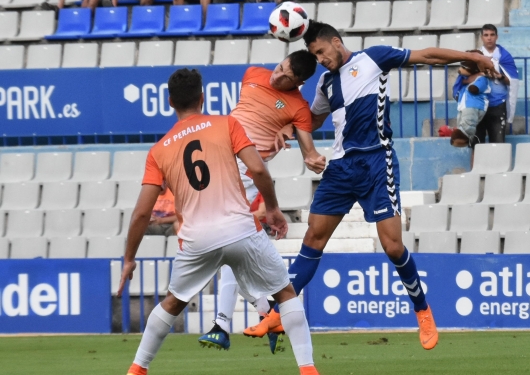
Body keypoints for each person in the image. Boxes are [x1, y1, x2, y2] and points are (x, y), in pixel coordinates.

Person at [242, 20, 498, 351]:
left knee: (392, 246)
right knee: (312, 239)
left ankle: (422, 310)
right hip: (341, 168)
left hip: (377, 162)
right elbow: (312, 120)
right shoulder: (325, 84)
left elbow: (427, 55)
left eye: (321, 52)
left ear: (335, 42)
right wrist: (287, 130)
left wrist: (471, 57)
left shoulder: (373, 58)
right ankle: (277, 312)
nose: (320, 59)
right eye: (315, 56)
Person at [120, 68, 319, 375]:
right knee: (285, 293)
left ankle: (137, 369)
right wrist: (274, 208)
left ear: (170, 101)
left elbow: (141, 214)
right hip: (240, 229)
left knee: (171, 303)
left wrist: (129, 259)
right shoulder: (227, 124)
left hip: (197, 240)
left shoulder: (158, 151)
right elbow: (259, 170)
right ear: (203, 97)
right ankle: (308, 370)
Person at [196, 50, 326, 353]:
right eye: (280, 67)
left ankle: (224, 324)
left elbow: (309, 151)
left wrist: (313, 156)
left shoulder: (298, 108)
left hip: (245, 175)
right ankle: (265, 311)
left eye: (287, 77)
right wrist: (285, 125)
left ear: (300, 82)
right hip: (217, 164)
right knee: (231, 251)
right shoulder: (253, 73)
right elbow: (255, 112)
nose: (277, 75)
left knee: (226, 248)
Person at [478, 24, 517, 144]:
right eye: (486, 35)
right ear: (481, 37)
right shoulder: (475, 55)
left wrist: (500, 76)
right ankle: (476, 164)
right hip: (478, 104)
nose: (489, 38)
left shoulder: (504, 56)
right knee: (476, 143)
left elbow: (513, 81)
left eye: (492, 35)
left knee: (498, 144)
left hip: (498, 105)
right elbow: (466, 78)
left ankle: (499, 163)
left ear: (497, 37)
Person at [450, 54, 491, 148]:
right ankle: (462, 137)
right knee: (462, 122)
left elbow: (476, 88)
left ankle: (465, 137)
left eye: (465, 68)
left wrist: (474, 88)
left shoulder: (482, 78)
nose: (461, 70)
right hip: (465, 105)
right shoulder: (466, 80)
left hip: (474, 105)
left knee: (469, 123)